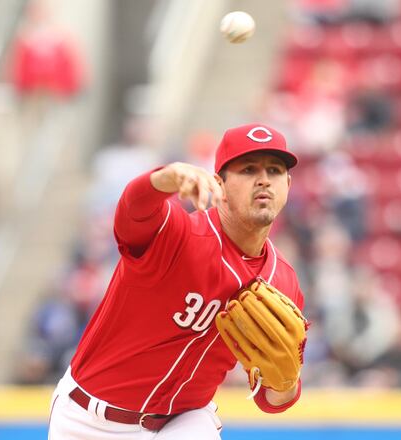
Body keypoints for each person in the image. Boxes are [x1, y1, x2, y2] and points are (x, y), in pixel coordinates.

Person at [48, 123, 305, 439]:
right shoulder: (177, 234)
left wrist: (286, 383)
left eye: (275, 171)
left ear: (288, 184)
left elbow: (272, 400)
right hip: (90, 419)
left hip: (183, 422)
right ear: (219, 184)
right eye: (249, 169)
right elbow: (132, 211)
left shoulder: (284, 281)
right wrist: (163, 180)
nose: (264, 179)